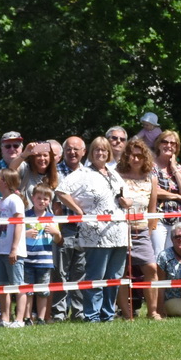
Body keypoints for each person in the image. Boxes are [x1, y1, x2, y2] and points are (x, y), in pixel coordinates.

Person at [59, 136, 126, 323]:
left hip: (119, 234)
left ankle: (108, 314)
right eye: (97, 149)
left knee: (114, 277)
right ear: (90, 153)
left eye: (104, 150)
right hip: (96, 235)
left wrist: (126, 201)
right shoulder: (83, 173)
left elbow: (124, 195)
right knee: (96, 276)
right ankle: (92, 315)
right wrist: (79, 211)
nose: (101, 153)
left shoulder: (114, 174)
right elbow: (61, 191)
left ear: (109, 153)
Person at [117, 137, 159, 320]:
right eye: (132, 155)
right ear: (126, 156)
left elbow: (152, 209)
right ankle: (126, 314)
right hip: (120, 229)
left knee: (151, 268)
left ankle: (153, 311)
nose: (135, 159)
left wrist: (149, 230)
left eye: (140, 156)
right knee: (122, 271)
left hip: (141, 231)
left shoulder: (151, 178)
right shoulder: (117, 176)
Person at [0, 168, 27, 327]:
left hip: (13, 251)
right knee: (2, 285)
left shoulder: (15, 200)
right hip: (0, 250)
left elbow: (19, 224)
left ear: (5, 182)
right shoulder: (0, 202)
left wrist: (14, 249)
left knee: (18, 285)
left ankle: (19, 319)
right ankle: (5, 318)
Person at [22, 184, 60, 323]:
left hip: (45, 260)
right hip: (27, 260)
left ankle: (41, 318)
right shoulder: (26, 216)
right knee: (28, 290)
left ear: (49, 201)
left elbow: (58, 239)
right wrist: (25, 233)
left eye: (45, 199)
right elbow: (17, 234)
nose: (42, 201)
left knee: (43, 291)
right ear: (33, 198)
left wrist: (56, 233)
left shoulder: (52, 218)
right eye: (39, 198)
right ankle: (27, 317)